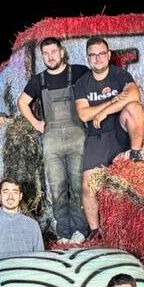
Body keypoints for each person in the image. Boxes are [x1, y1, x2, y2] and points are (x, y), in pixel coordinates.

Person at [17, 37, 89, 242]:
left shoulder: (79, 72)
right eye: (46, 54)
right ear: (42, 57)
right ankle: (64, 232)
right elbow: (22, 102)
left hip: (77, 136)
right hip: (52, 140)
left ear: (62, 52)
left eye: (53, 52)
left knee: (77, 186)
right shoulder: (38, 80)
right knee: (57, 186)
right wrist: (36, 123)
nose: (50, 57)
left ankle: (80, 230)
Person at [74, 37, 144, 238]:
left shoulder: (120, 75)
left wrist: (104, 112)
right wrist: (111, 104)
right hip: (97, 137)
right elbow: (84, 114)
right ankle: (96, 232)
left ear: (108, 55)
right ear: (88, 58)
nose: (98, 58)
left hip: (120, 130)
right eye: (93, 55)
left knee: (134, 108)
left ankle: (135, 153)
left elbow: (134, 96)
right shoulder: (82, 84)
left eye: (101, 54)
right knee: (87, 185)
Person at [0, 178, 44, 264]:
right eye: (5, 192)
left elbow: (39, 259)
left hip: (24, 275)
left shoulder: (32, 225)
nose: (10, 197)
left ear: (20, 196)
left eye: (15, 192)